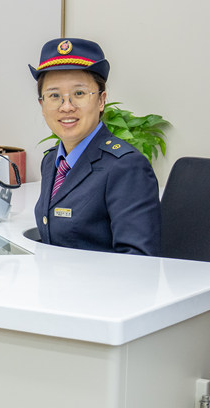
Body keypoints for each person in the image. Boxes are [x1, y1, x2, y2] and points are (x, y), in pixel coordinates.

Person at [29, 38, 160, 255]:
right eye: (54, 96)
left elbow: (139, 262)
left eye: (79, 94)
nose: (66, 107)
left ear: (101, 100)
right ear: (42, 105)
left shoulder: (126, 167)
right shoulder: (52, 161)